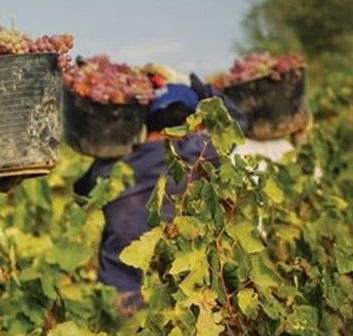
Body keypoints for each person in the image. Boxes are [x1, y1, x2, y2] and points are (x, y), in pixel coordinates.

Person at [73, 68, 247, 314]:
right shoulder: (195, 153)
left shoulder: (111, 165)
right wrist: (196, 83)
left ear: (146, 121)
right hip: (177, 295)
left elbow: (80, 192)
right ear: (192, 122)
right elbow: (238, 123)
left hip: (118, 296)